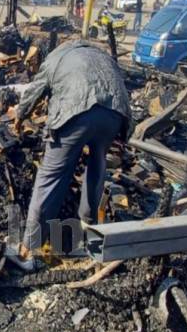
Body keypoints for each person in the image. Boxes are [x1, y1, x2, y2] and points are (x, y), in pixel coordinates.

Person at [9, 40, 132, 271]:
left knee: (52, 176)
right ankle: (88, 227)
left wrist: (19, 115)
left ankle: (28, 252)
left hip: (77, 112)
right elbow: (121, 89)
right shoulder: (101, 55)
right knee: (97, 165)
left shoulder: (56, 57)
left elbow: (35, 89)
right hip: (114, 115)